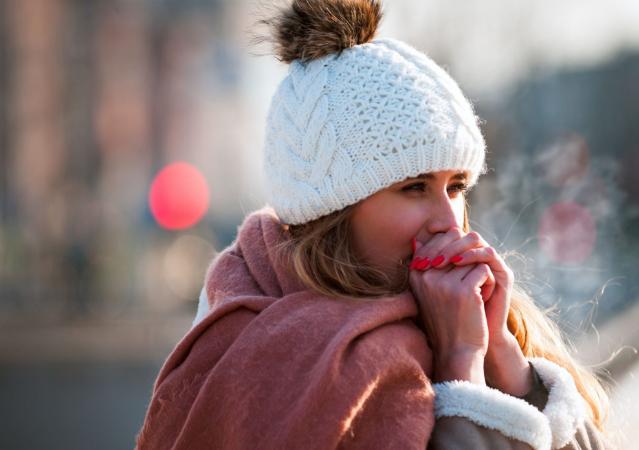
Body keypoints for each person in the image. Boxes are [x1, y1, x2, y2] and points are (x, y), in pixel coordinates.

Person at [136, 1, 614, 449]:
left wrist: (507, 362)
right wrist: (460, 370)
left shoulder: (479, 321)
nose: (449, 220)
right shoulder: (255, 349)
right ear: (334, 212)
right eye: (414, 188)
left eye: (456, 186)